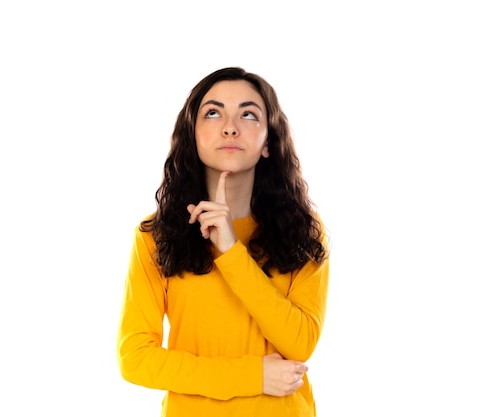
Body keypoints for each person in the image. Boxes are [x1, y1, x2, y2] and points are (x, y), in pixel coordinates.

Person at [117, 67, 330, 417]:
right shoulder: (155, 235)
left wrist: (231, 251)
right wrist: (252, 376)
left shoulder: (303, 230)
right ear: (193, 135)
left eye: (248, 114)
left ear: (267, 143)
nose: (230, 127)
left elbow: (300, 343)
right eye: (213, 113)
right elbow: (135, 358)